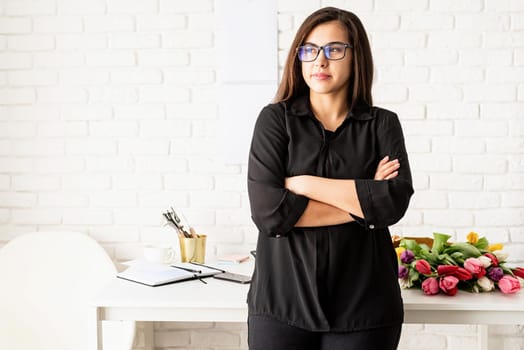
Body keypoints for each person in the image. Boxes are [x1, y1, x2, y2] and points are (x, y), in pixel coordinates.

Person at [246, 7, 414, 350]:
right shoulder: (274, 121)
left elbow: (393, 202)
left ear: (356, 57)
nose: (320, 61)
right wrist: (363, 202)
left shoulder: (383, 125)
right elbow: (269, 214)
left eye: (334, 49)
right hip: (281, 305)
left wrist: (303, 184)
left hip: (364, 308)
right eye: (309, 50)